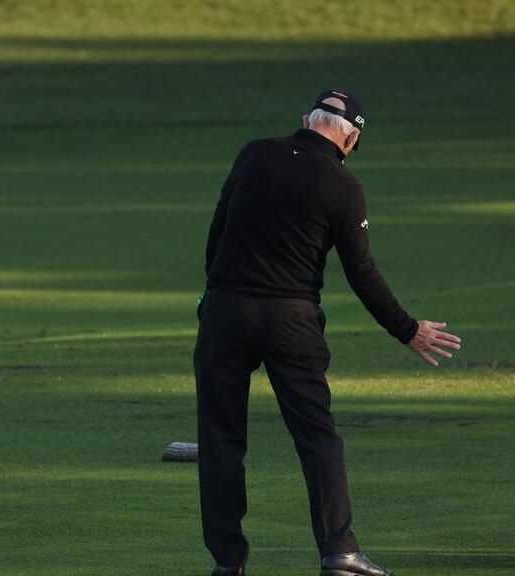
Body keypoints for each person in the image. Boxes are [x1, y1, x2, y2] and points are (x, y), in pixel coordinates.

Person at [194, 89, 461, 576]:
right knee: (317, 437)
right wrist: (407, 330)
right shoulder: (343, 184)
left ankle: (227, 563)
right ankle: (338, 551)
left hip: (224, 312)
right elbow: (363, 274)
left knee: (219, 439)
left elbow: (219, 227)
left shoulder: (253, 152)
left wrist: (211, 295)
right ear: (351, 137)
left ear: (306, 119)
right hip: (290, 321)